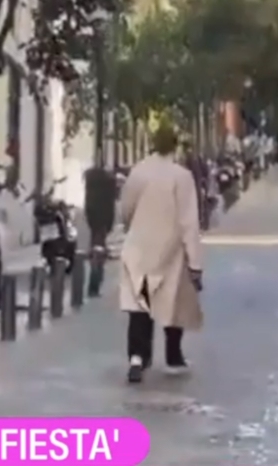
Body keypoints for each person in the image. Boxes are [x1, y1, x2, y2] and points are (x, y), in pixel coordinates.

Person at [119, 124, 203, 384]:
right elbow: (189, 221)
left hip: (140, 247)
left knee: (140, 302)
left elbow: (126, 208)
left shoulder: (139, 172)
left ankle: (137, 357)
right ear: (175, 146)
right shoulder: (181, 176)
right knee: (172, 303)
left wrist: (132, 227)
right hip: (170, 249)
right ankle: (173, 355)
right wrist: (195, 261)